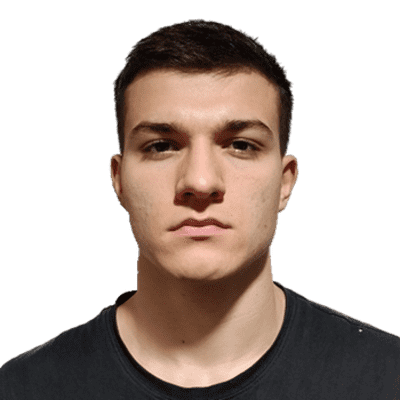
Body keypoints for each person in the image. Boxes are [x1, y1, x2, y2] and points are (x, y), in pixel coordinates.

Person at [1, 19, 399, 399]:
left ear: (285, 182)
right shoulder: (21, 389)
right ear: (119, 180)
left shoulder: (387, 377)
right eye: (162, 146)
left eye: (241, 145)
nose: (201, 182)